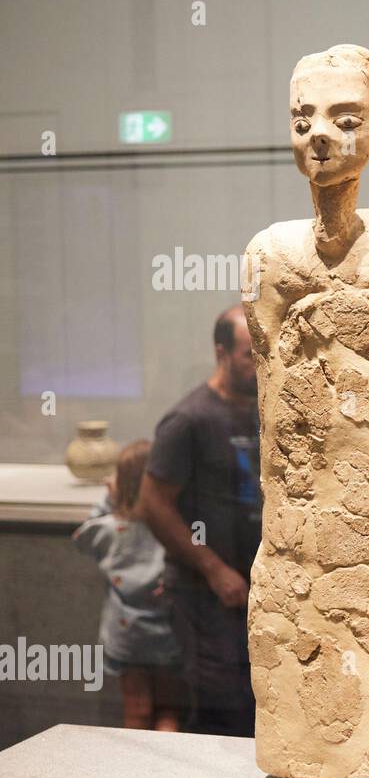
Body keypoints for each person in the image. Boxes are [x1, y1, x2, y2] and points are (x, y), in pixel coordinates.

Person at [139, 305, 261, 736]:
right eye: (250, 353)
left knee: (259, 706)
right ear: (221, 352)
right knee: (220, 712)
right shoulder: (188, 420)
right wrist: (214, 570)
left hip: (257, 589)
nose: (259, 362)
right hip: (207, 595)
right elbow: (152, 505)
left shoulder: (267, 410)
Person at [72, 439, 184, 731]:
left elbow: (82, 535)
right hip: (168, 632)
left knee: (137, 711)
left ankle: (133, 774)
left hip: (127, 636)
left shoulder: (110, 529)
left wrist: (109, 498)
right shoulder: (173, 527)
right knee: (169, 710)